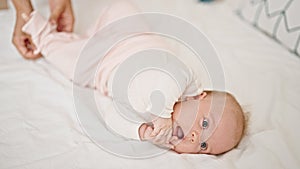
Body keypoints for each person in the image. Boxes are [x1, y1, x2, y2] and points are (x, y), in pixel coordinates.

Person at [20, 0, 245, 155]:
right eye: (205, 123)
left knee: (66, 62)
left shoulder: (152, 127)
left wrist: (139, 131)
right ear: (200, 97)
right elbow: (172, 77)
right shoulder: (186, 84)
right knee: (123, 8)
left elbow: (111, 115)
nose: (195, 136)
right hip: (132, 33)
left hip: (100, 64)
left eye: (204, 146)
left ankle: (34, 25)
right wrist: (163, 115)